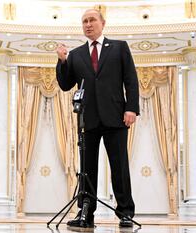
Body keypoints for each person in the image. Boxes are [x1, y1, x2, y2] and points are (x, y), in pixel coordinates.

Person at [55, 8, 140, 228]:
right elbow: (66, 85)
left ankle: (125, 213)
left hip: (116, 117)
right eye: (84, 21)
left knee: (119, 166)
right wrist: (62, 62)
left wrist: (131, 108)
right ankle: (85, 213)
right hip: (88, 120)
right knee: (87, 169)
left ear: (103, 23)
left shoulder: (119, 48)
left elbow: (130, 79)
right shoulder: (75, 54)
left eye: (92, 20)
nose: (88, 24)